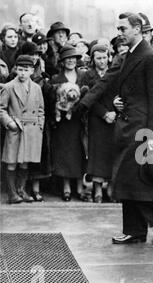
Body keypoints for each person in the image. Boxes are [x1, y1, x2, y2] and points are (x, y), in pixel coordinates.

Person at [78, 12, 153, 245]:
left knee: (133, 178)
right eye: (118, 28)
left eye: (123, 28)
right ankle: (136, 230)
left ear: (137, 29)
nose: (119, 32)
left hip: (142, 130)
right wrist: (115, 102)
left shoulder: (152, 57)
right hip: (129, 126)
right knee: (127, 179)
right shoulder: (129, 56)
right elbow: (120, 87)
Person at [0, 55, 45, 204]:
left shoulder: (37, 88)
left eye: (26, 70)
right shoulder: (9, 87)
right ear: (16, 70)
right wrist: (9, 123)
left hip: (31, 130)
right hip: (16, 129)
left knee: (25, 162)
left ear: (32, 71)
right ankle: (12, 193)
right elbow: (1, 109)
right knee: (12, 161)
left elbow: (40, 110)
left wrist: (39, 126)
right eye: (20, 70)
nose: (23, 73)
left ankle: (21, 190)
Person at [49, 44, 86, 201]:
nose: (71, 61)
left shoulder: (83, 76)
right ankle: (66, 187)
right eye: (67, 59)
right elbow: (52, 100)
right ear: (62, 61)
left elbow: (89, 94)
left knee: (80, 151)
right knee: (64, 152)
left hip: (79, 120)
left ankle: (79, 186)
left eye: (73, 58)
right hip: (63, 122)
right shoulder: (56, 79)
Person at [81, 44, 115, 203]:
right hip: (96, 118)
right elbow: (88, 98)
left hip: (114, 117)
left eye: (104, 57)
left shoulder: (115, 72)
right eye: (98, 58)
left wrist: (115, 111)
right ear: (93, 59)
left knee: (111, 152)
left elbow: (121, 94)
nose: (102, 61)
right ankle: (97, 188)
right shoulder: (87, 75)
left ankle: (111, 187)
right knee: (97, 154)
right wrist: (104, 113)